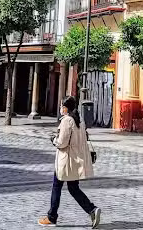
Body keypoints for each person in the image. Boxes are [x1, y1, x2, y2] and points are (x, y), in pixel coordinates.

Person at [38, 96, 100, 227]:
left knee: (56, 186)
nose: (60, 108)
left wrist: (54, 140)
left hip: (65, 161)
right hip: (75, 161)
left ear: (65, 108)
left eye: (61, 106)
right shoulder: (80, 121)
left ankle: (51, 217)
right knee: (73, 188)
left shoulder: (67, 121)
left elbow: (62, 142)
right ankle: (92, 209)